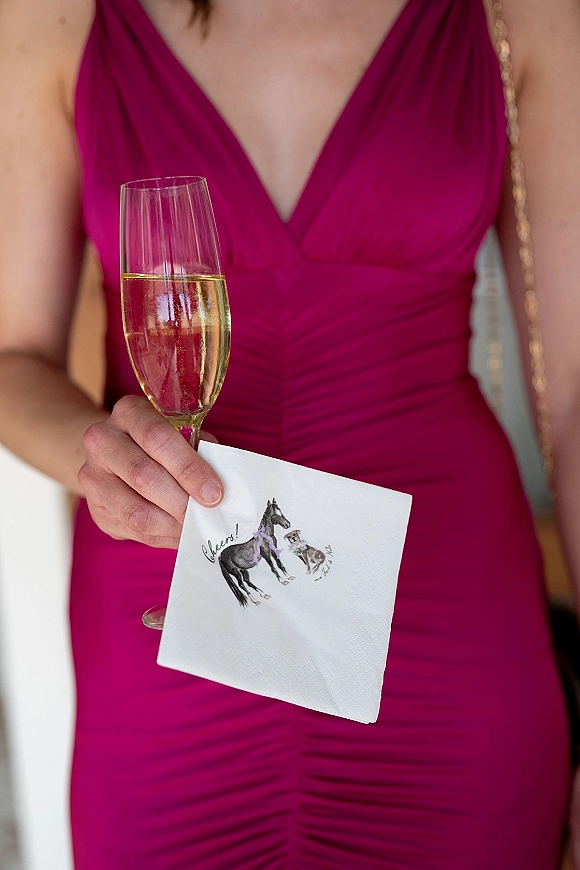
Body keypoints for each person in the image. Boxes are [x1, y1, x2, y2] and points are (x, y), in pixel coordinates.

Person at [0, 0, 579, 867]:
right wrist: (96, 456)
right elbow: (12, 356)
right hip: (171, 619)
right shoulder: (54, 17)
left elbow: (573, 397)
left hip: (440, 627)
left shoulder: (518, 14)